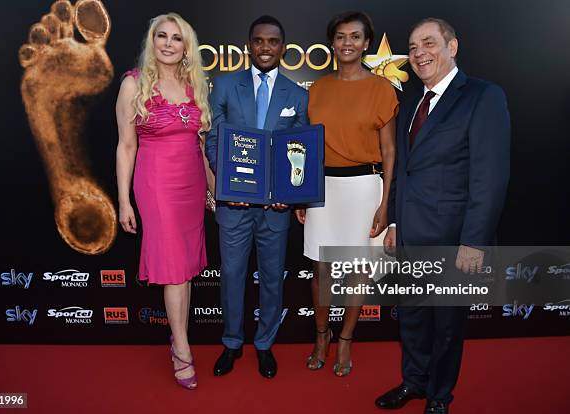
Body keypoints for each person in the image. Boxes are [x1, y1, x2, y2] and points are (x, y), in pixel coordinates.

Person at [375, 18, 510, 414]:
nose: (419, 53)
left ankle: (439, 396)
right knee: (413, 319)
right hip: (411, 236)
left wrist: (474, 240)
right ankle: (414, 383)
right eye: (413, 47)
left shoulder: (483, 97)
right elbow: (404, 169)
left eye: (429, 43)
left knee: (447, 327)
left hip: (455, 239)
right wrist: (396, 223)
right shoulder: (414, 100)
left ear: (453, 46)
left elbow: (490, 177)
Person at [294, 11, 397, 376]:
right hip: (322, 188)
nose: (347, 43)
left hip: (364, 188)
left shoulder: (382, 89)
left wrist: (386, 204)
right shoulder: (318, 89)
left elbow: (389, 152)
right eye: (340, 36)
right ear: (332, 42)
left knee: (357, 270)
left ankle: (346, 340)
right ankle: (321, 336)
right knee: (321, 269)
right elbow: (308, 147)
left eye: (355, 36)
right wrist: (303, 193)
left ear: (367, 43)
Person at [205, 15, 308, 379]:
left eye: (273, 41)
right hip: (235, 206)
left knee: (271, 278)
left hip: (276, 209)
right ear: (249, 45)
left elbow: (299, 149)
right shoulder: (224, 86)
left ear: (283, 47)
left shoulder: (297, 95)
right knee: (232, 275)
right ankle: (232, 342)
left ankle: (264, 344)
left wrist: (288, 194)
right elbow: (214, 139)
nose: (266, 47)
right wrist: (230, 185)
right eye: (259, 41)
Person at [115, 12, 212, 390]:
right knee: (173, 266)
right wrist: (124, 201)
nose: (169, 44)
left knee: (184, 267)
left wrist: (211, 189)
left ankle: (178, 337)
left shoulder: (195, 85)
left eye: (177, 38)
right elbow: (125, 146)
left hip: (190, 183)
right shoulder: (133, 84)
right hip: (156, 184)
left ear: (186, 46)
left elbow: (203, 146)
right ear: (152, 41)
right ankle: (182, 349)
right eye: (162, 36)